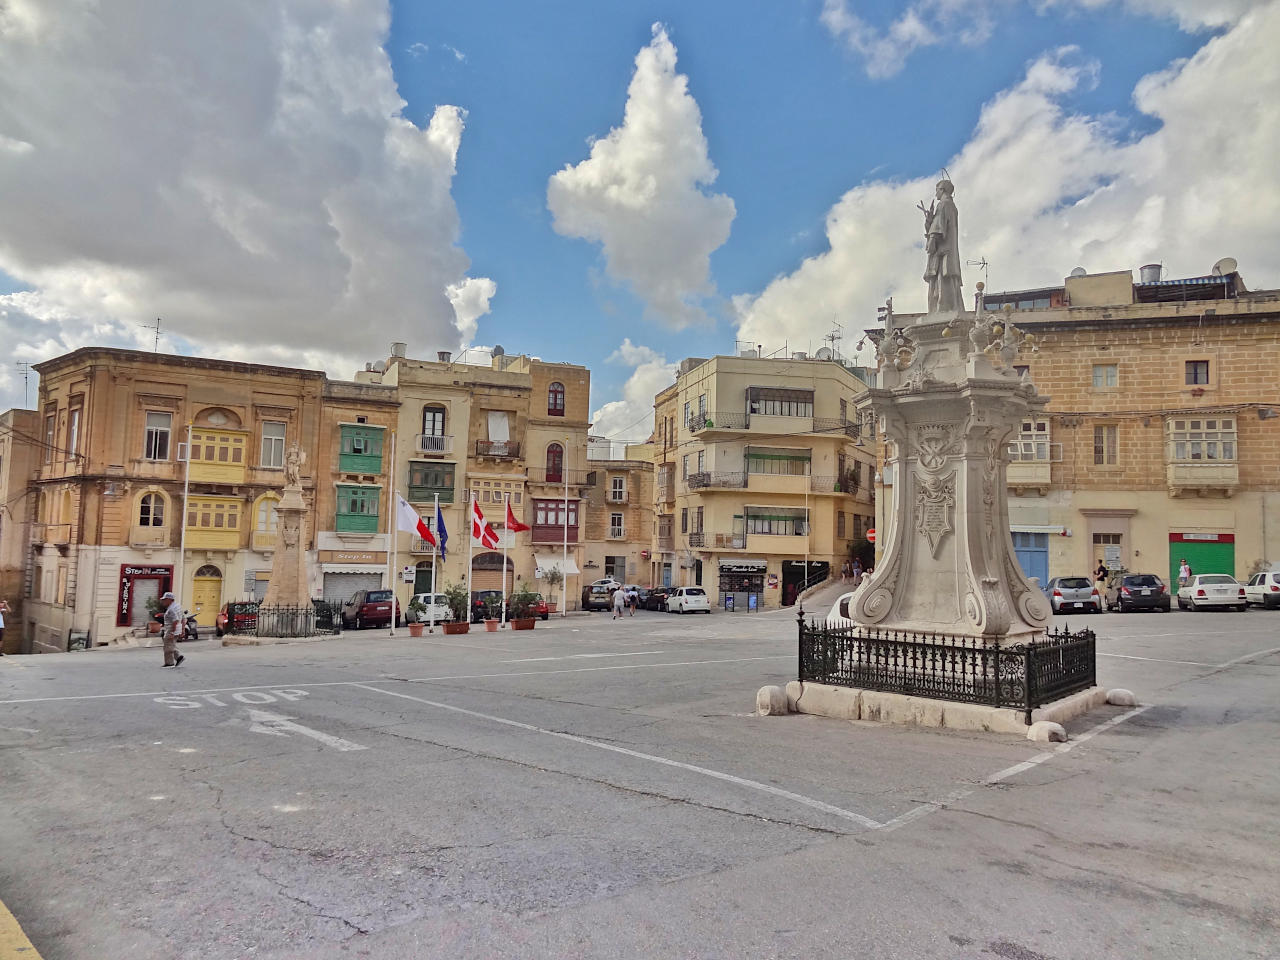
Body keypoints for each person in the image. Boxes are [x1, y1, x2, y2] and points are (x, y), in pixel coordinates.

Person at [921, 179, 963, 314]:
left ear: (942, 190)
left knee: (942, 280)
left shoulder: (944, 205)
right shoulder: (951, 206)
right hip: (946, 251)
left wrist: (932, 239)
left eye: (937, 190)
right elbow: (936, 224)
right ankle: (946, 306)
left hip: (943, 251)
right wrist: (929, 219)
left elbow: (939, 226)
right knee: (944, 280)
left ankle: (942, 307)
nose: (935, 194)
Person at [159, 591, 186, 668]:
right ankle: (179, 657)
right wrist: (182, 630)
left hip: (171, 629)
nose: (163, 601)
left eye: (164, 599)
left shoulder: (171, 609)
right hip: (177, 628)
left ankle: (169, 663)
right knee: (171, 644)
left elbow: (175, 620)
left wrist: (172, 632)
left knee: (167, 646)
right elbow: (183, 618)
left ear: (169, 600)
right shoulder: (178, 606)